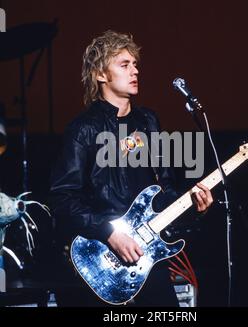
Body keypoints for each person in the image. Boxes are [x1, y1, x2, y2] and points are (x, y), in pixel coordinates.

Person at [49, 30, 213, 307]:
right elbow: (62, 198)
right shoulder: (83, 129)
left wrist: (194, 208)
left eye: (135, 64)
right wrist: (109, 233)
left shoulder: (149, 121)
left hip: (148, 254)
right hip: (102, 254)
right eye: (124, 65)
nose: (134, 71)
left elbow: (165, 190)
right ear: (101, 74)